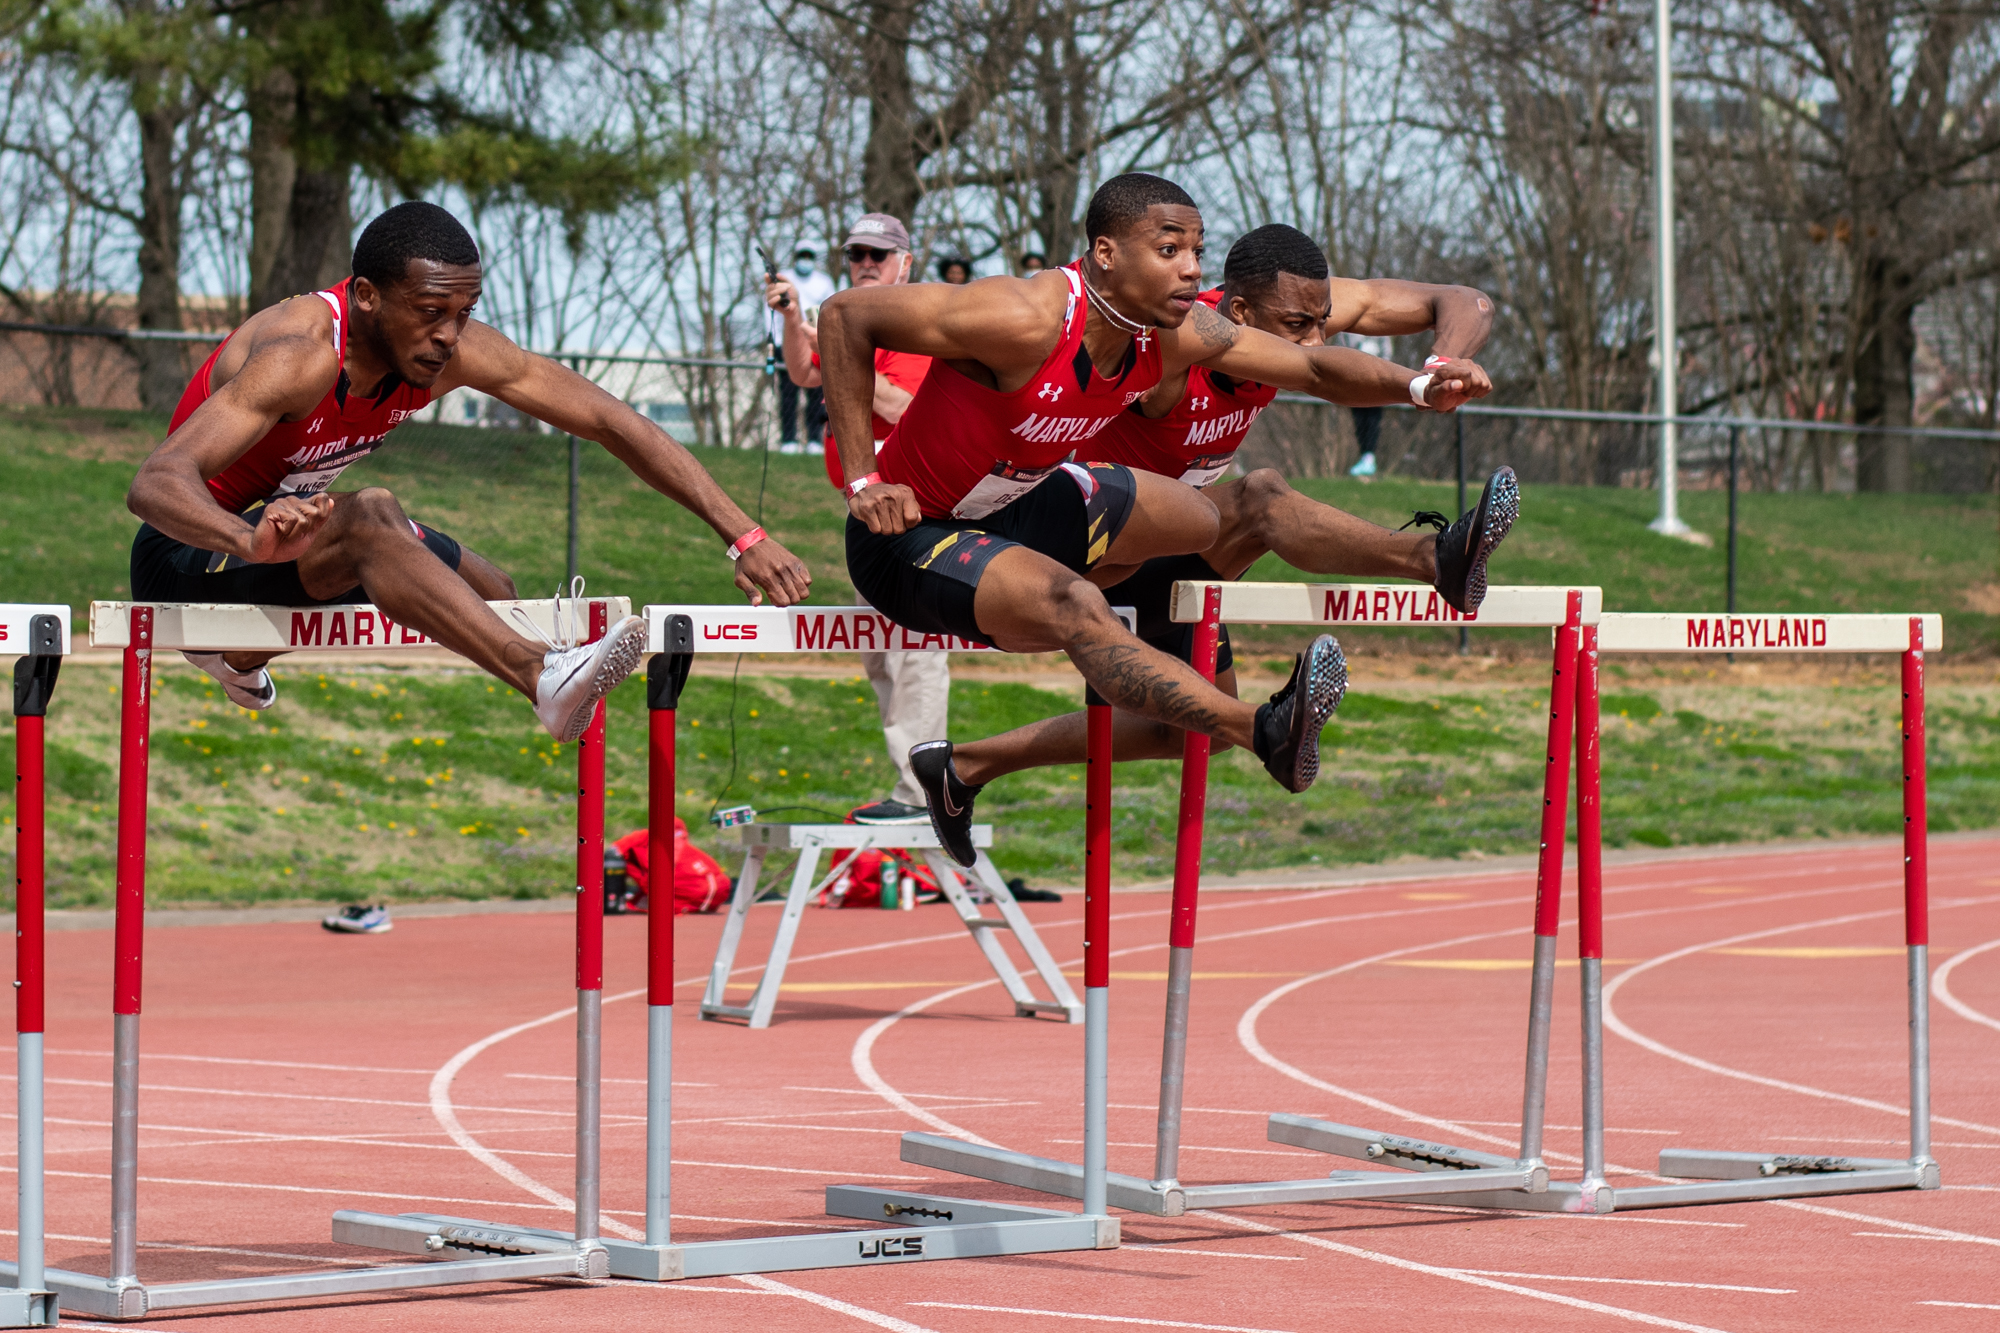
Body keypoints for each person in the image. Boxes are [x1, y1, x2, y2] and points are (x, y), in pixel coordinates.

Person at [816, 173, 1490, 865]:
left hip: (1021, 505)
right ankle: (1264, 729)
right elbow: (844, 316)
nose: (1192, 268)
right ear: (1106, 253)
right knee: (1078, 599)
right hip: (909, 537)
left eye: (1196, 249)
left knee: (1196, 517)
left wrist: (1419, 383)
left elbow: (1312, 369)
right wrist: (865, 478)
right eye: (1170, 250)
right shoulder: (1023, 315)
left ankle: (1090, 605)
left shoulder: (1180, 329)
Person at [129, 199, 810, 745]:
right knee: (371, 514)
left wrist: (744, 535)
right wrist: (245, 538)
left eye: (464, 313)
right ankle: (538, 677)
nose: (449, 337)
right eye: (430, 314)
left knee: (494, 590)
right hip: (190, 555)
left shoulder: (445, 350)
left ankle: (240, 658)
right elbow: (156, 481)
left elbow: (610, 419)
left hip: (300, 540)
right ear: (366, 296)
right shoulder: (302, 355)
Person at [936, 223, 1516, 792]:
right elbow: (1314, 370)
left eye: (1323, 321)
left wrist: (1440, 368)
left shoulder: (1291, 309)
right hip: (1096, 549)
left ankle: (962, 767)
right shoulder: (1179, 339)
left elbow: (1467, 301)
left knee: (1200, 733)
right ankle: (1435, 558)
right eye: (1297, 326)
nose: (1315, 339)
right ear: (1239, 315)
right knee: (1259, 497)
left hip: (1180, 540)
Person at [765, 213, 947, 825]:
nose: (865, 264)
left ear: (905, 263)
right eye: (856, 255)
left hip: (919, 510)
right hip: (872, 513)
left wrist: (836, 341)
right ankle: (913, 786)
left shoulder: (918, 325)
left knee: (916, 649)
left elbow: (901, 405)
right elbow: (802, 373)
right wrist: (798, 323)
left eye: (878, 253)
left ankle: (925, 792)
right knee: (881, 652)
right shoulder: (858, 333)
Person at [776, 247, 837, 450]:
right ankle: (789, 440)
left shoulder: (824, 281)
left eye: (809, 256)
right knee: (788, 395)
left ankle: (813, 439)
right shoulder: (786, 278)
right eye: (802, 256)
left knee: (816, 394)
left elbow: (830, 309)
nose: (805, 260)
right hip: (787, 341)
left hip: (814, 341)